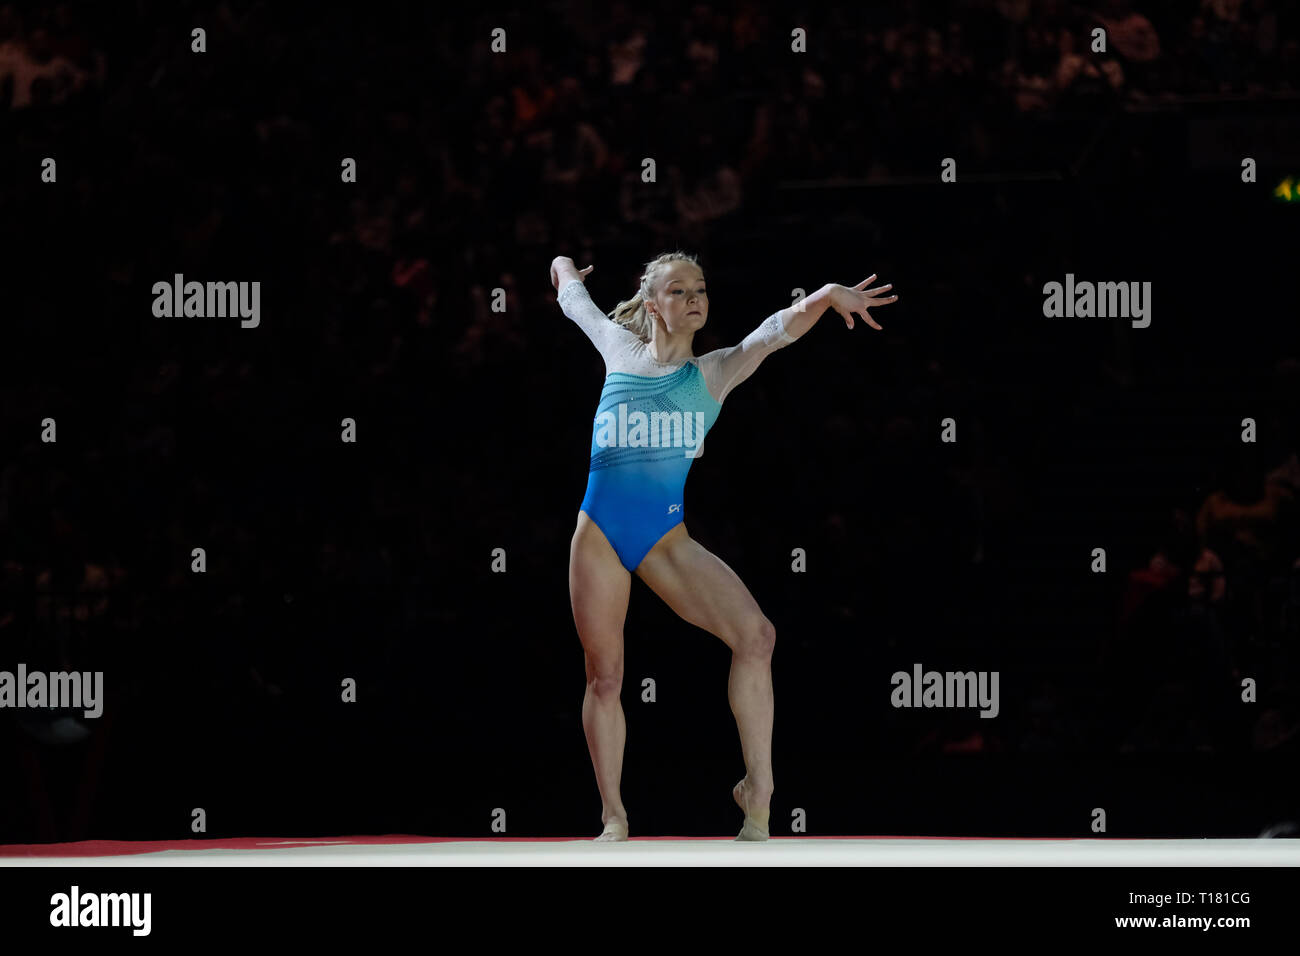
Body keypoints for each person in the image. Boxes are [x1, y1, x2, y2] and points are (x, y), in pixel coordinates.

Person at [550, 250, 898, 841]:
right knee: (605, 677)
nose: (694, 298)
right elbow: (569, 296)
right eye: (679, 290)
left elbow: (772, 334)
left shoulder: (713, 374)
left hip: (664, 537)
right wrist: (564, 266)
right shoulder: (615, 346)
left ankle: (757, 792)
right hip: (599, 536)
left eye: (701, 289)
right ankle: (613, 814)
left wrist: (826, 293)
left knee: (757, 637)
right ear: (652, 302)